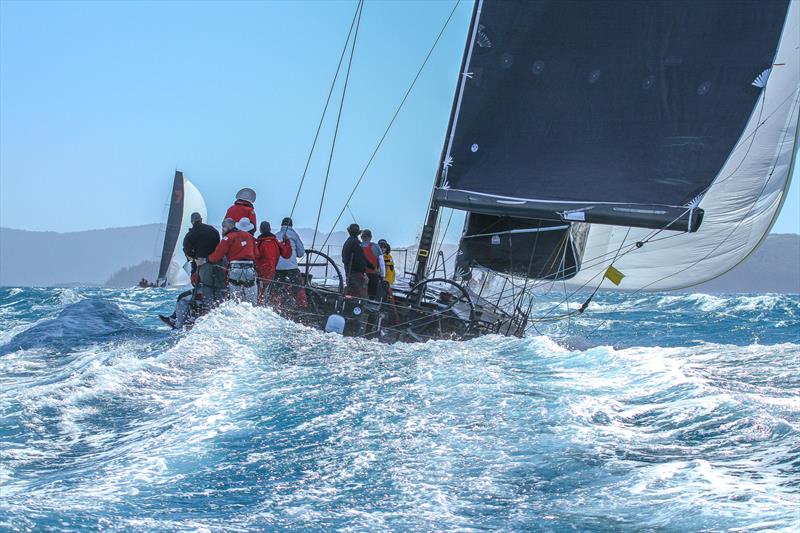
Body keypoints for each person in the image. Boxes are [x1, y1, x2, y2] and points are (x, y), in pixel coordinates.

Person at [209, 217, 260, 305]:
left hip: (235, 271)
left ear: (227, 227)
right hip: (250, 270)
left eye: (223, 227)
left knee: (236, 301)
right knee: (251, 302)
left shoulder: (228, 238)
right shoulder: (249, 236)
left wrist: (207, 259)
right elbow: (257, 254)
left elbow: (216, 256)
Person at [182, 212, 223, 306]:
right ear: (201, 219)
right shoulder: (213, 230)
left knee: (206, 287)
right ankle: (220, 306)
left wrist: (194, 258)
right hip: (218, 263)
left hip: (202, 265)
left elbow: (186, 250)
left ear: (192, 222)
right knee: (218, 287)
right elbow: (219, 245)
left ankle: (208, 309)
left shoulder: (190, 234)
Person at [273, 217, 308, 308]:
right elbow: (301, 253)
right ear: (292, 225)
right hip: (291, 267)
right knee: (298, 284)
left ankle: (275, 304)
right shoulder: (294, 235)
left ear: (281, 225)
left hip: (278, 267)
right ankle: (302, 305)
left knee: (276, 286)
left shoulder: (276, 235)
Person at [255, 221, 292, 305]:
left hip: (260, 274)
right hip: (272, 273)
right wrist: (287, 241)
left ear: (260, 230)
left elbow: (255, 256)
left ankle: (259, 307)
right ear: (270, 229)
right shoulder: (276, 242)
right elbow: (287, 254)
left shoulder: (258, 243)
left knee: (260, 294)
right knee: (269, 294)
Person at [342, 223, 370, 298]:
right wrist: (363, 270)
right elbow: (359, 259)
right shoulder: (356, 243)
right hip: (355, 273)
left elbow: (344, 259)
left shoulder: (347, 242)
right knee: (360, 295)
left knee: (351, 292)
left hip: (348, 271)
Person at [360, 229, 385, 299]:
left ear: (361, 237)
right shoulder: (375, 247)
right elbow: (381, 262)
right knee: (372, 295)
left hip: (360, 274)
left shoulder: (358, 246)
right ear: (370, 237)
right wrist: (383, 275)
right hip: (373, 274)